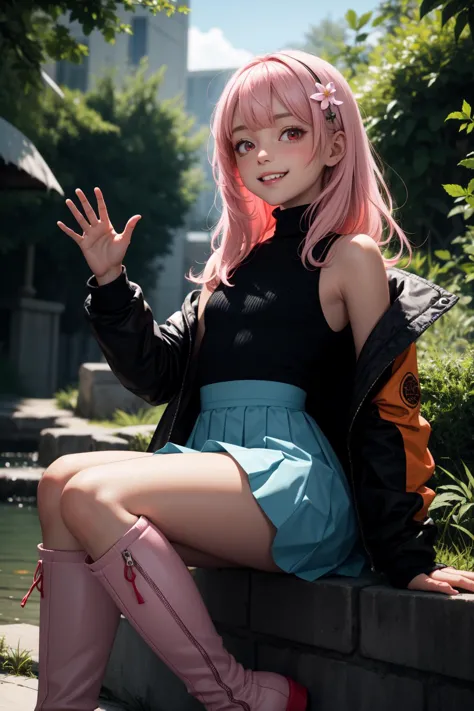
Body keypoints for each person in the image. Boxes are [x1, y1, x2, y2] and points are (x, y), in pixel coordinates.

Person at [21, 50, 474, 711]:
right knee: (60, 481)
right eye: (244, 142)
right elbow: (156, 373)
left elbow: (388, 407)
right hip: (215, 473)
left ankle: (234, 694)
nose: (265, 154)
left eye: (288, 131)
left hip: (297, 487)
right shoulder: (228, 269)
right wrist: (112, 283)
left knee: (86, 491)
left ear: (335, 139)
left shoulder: (350, 256)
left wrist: (407, 556)